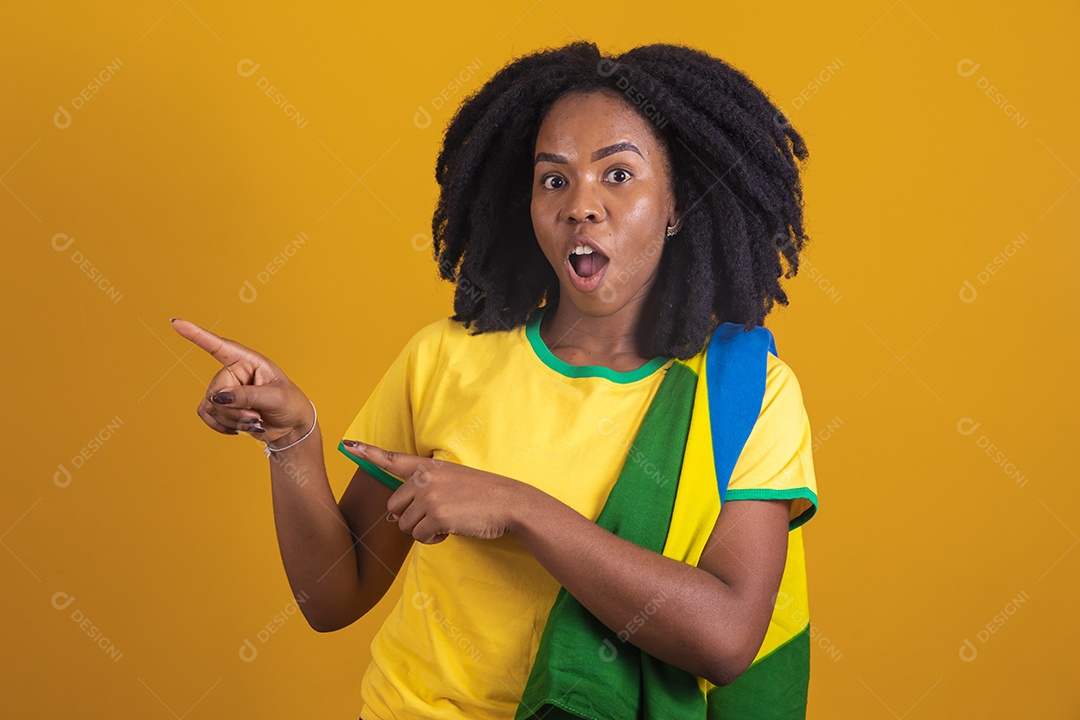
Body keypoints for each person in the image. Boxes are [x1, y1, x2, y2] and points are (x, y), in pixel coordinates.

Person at [173, 40, 819, 720]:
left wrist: (519, 508)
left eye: (618, 176)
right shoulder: (444, 360)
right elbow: (334, 598)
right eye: (554, 179)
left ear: (678, 204)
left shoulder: (747, 398)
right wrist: (293, 440)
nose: (581, 206)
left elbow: (725, 637)